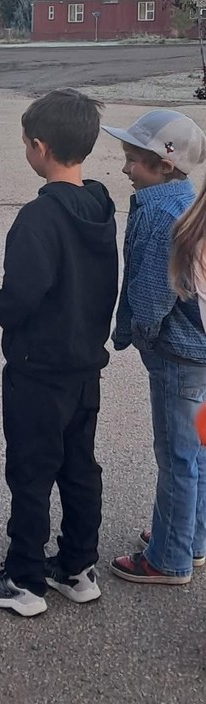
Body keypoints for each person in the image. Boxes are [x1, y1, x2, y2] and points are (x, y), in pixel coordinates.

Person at [0, 90, 118, 616]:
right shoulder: (101, 204)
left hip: (38, 370)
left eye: (26, 144)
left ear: (39, 146)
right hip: (85, 366)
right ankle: (78, 566)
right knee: (79, 467)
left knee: (30, 473)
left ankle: (25, 577)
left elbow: (22, 295)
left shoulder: (38, 218)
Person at [103, 108, 206, 585]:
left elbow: (150, 295)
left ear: (165, 165)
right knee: (197, 451)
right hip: (198, 356)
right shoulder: (186, 200)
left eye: (133, 160)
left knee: (176, 456)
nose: (125, 168)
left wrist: (133, 335)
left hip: (178, 359)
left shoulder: (163, 213)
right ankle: (190, 536)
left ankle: (168, 559)